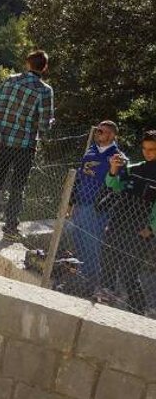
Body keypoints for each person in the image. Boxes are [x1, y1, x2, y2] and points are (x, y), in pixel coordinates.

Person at [0, 50, 56, 238]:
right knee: (18, 186)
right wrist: (49, 122)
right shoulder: (45, 91)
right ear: (44, 67)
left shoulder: (10, 80)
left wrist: (5, 120)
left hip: (4, 140)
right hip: (25, 145)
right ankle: (11, 226)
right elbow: (45, 126)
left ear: (27, 63)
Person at [101, 130, 156, 315]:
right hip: (118, 223)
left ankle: (139, 311)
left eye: (152, 149)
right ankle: (105, 295)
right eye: (145, 149)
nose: (147, 153)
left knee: (129, 273)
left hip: (140, 231)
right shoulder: (135, 168)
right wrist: (114, 170)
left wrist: (151, 229)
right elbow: (114, 185)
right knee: (108, 261)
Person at [67, 120, 122, 285]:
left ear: (112, 135)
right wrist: (71, 201)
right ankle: (81, 276)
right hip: (80, 204)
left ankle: (91, 282)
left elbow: (117, 186)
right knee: (77, 239)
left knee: (92, 245)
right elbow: (78, 177)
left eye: (102, 131)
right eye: (97, 131)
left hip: (96, 208)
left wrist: (103, 206)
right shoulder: (91, 150)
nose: (98, 133)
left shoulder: (117, 157)